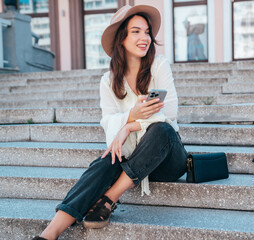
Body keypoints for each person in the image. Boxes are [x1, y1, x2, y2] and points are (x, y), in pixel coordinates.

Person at [32, 4, 187, 240]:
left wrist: (129, 125)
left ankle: (109, 198)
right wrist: (130, 117)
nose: (144, 37)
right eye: (136, 31)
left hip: (168, 161)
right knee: (104, 162)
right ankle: (49, 233)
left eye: (146, 32)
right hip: (133, 158)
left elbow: (171, 112)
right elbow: (108, 124)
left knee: (162, 129)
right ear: (121, 38)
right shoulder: (108, 81)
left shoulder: (159, 66)